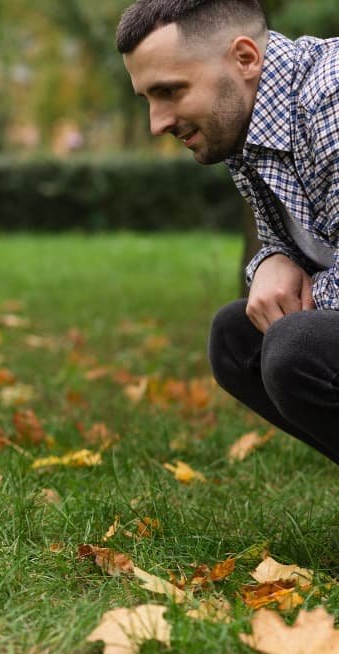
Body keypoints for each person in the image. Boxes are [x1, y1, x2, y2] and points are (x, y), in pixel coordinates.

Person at [116, 0, 339, 465]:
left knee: (294, 346)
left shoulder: (330, 96)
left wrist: (302, 288)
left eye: (170, 91)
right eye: (149, 99)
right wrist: (271, 261)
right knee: (237, 340)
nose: (157, 123)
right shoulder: (247, 124)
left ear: (244, 58)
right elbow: (309, 239)